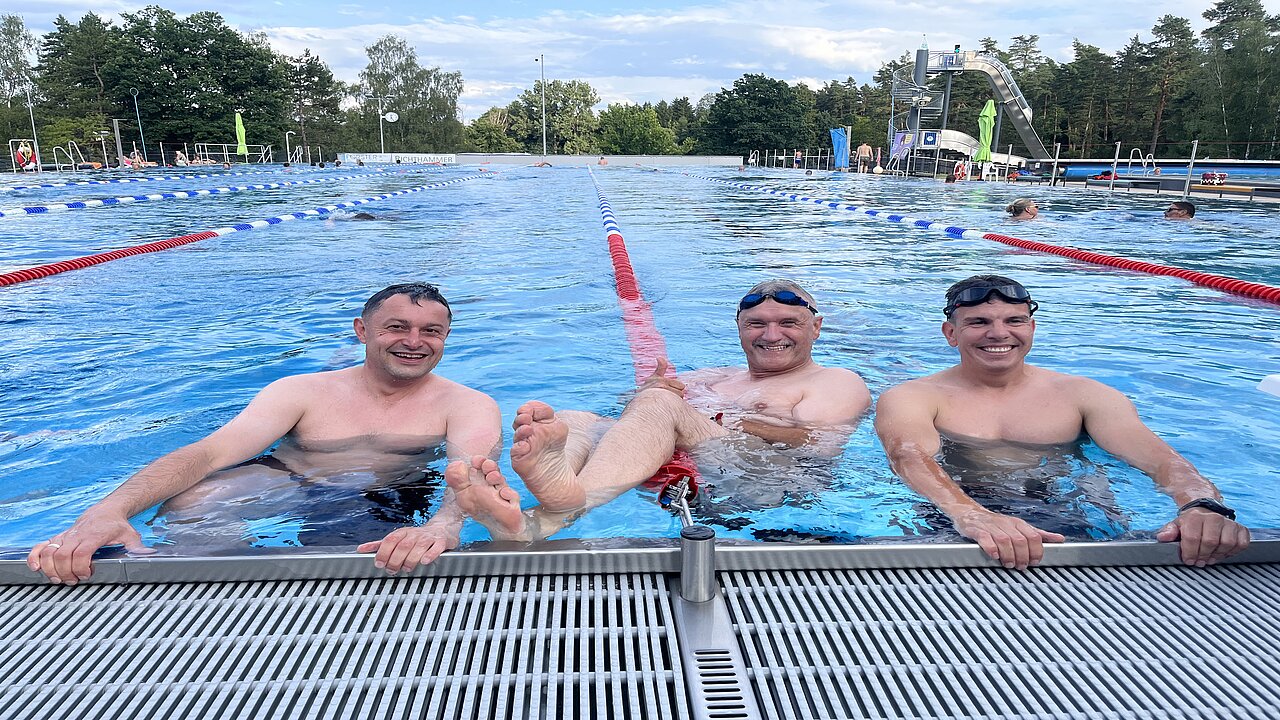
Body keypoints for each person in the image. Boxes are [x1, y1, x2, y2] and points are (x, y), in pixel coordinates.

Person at [26, 283, 502, 584]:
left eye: (431, 331)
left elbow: (473, 475)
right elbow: (209, 453)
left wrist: (444, 525)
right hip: (292, 477)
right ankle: (223, 597)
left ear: (445, 338)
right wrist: (109, 509)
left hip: (393, 489)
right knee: (193, 503)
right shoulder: (300, 390)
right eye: (396, 327)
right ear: (361, 330)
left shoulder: (467, 404)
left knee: (386, 552)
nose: (414, 342)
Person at [447, 279, 872, 542]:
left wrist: (722, 417)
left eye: (788, 323)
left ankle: (570, 498)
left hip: (769, 484)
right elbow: (629, 417)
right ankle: (532, 524)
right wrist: (649, 392)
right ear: (739, 328)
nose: (771, 334)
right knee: (577, 419)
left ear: (815, 327)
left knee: (660, 402)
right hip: (694, 474)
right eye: (757, 324)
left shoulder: (835, 380)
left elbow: (818, 446)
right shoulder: (714, 376)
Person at [875, 275, 1251, 570]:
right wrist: (969, 514)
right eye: (979, 322)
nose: (999, 333)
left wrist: (1201, 505)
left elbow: (1160, 459)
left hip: (1060, 509)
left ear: (1032, 329)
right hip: (951, 511)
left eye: (1014, 321)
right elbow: (909, 455)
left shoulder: (1084, 395)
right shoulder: (913, 396)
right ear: (951, 334)